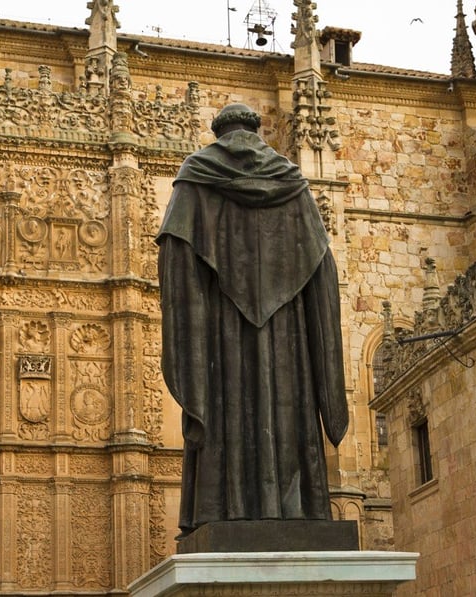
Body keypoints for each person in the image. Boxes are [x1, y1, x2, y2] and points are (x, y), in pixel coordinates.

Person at [157, 103, 348, 539]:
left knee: (229, 408)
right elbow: (322, 267)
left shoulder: (196, 177)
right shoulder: (294, 184)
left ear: (218, 133)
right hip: (290, 339)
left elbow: (177, 266)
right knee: (287, 406)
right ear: (256, 131)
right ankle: (297, 508)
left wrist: (192, 326)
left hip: (223, 338)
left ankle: (223, 507)